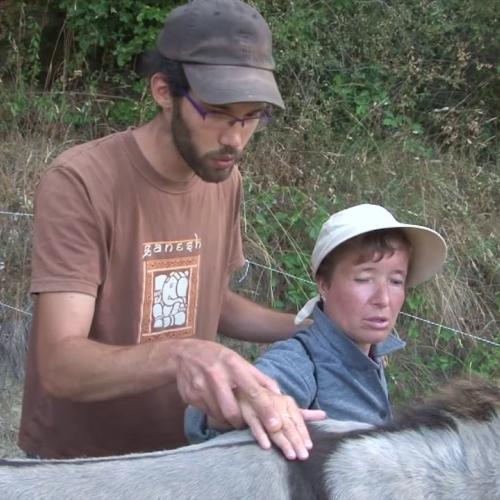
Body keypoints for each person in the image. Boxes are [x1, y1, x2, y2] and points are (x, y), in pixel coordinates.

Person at [18, 0, 325, 460]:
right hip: (79, 465)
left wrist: (314, 327)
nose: (235, 139)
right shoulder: (82, 181)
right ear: (164, 91)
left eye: (253, 116)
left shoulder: (224, 180)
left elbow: (211, 301)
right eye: (219, 112)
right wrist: (183, 354)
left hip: (181, 457)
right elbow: (61, 364)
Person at [185, 203, 447, 442]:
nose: (383, 299)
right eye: (364, 278)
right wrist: (241, 401)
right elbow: (209, 415)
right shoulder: (303, 361)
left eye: (396, 281)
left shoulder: (369, 352)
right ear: (324, 283)